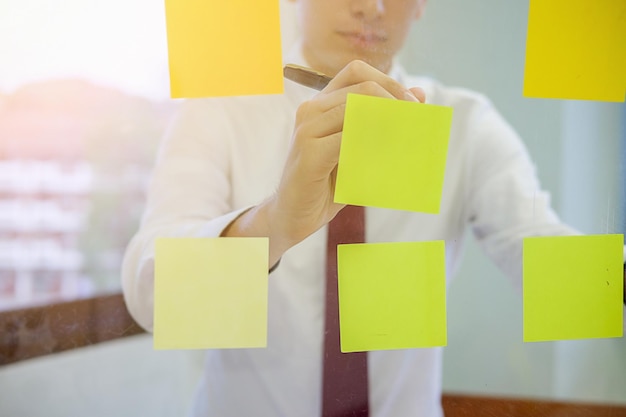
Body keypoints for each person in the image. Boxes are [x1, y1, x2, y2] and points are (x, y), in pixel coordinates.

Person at [122, 0, 623, 416]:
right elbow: (153, 304)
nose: (372, 7)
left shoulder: (464, 123)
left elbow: (536, 247)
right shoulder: (218, 112)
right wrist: (273, 224)